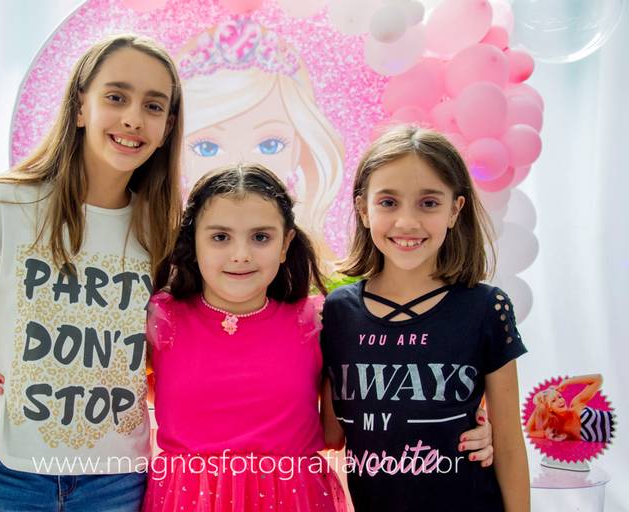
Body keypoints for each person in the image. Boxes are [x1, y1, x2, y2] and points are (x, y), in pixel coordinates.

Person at [0, 33, 184, 512]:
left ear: (167, 127)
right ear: (80, 106)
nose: (133, 118)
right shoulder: (0, 206)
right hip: (11, 479)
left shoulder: (164, 231)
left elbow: (164, 352)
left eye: (153, 106)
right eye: (116, 97)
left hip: (116, 481)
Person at [321, 125, 530, 511]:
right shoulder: (337, 312)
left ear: (455, 209)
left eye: (429, 203)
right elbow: (331, 433)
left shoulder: (486, 308)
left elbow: (509, 444)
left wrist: (487, 433)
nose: (407, 222)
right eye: (388, 202)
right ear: (362, 209)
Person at [141, 163, 347, 511]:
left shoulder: (312, 322)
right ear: (194, 242)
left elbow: (334, 434)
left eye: (261, 237)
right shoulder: (163, 320)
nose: (241, 255)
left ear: (285, 244)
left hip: (293, 502)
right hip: (188, 501)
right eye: (220, 237)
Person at [177, 18, 345, 265]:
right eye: (207, 148)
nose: (240, 166)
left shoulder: (329, 286)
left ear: (299, 149)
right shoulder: (154, 277)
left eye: (270, 145)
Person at [526, 374, 614, 442]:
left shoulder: (576, 404)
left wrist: (567, 382)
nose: (560, 401)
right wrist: (540, 404)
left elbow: (598, 379)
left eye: (559, 397)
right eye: (553, 401)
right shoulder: (559, 430)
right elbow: (529, 431)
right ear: (549, 408)